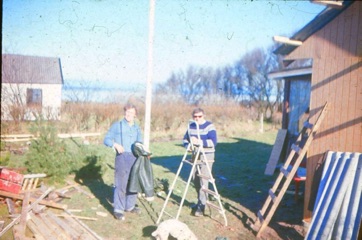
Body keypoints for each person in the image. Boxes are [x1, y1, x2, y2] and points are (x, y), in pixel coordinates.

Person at [104, 103, 143, 221]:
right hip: (122, 157)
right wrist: (115, 144)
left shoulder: (137, 128)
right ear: (124, 113)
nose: (129, 115)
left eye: (131, 113)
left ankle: (130, 206)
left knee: (133, 183)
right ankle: (118, 210)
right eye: (127, 112)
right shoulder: (117, 125)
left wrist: (143, 152)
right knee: (121, 184)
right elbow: (106, 139)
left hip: (135, 157)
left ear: (135, 115)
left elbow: (140, 142)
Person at [183, 107, 217, 217]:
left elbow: (213, 142)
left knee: (204, 179)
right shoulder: (191, 126)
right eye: (195, 117)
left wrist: (199, 142)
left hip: (206, 155)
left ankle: (202, 206)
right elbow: (185, 139)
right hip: (195, 154)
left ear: (203, 116)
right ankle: (199, 201)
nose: (197, 119)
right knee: (195, 179)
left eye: (199, 116)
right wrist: (188, 146)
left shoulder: (209, 126)